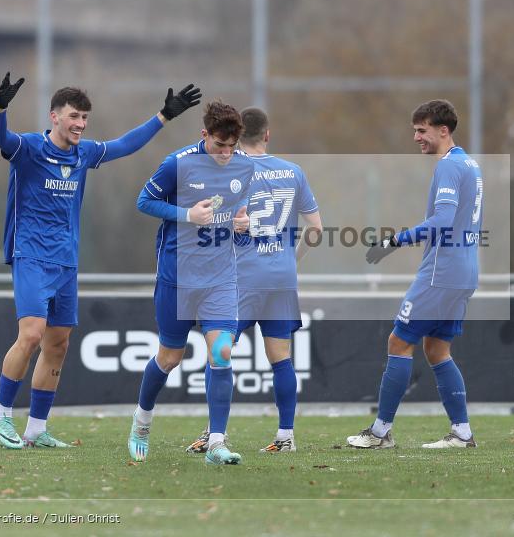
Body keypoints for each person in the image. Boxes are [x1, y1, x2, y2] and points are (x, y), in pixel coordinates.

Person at [0, 72, 200, 450]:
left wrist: (163, 116)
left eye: (85, 118)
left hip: (66, 261)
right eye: (74, 116)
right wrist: (1, 108)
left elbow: (125, 145)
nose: (81, 124)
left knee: (58, 343)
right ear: (54, 116)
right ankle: (1, 415)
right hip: (30, 254)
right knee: (31, 334)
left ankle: (36, 429)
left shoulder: (84, 153)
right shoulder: (30, 148)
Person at [345, 99, 483, 450]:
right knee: (437, 349)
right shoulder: (470, 164)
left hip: (442, 271)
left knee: (399, 341)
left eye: (422, 130)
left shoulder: (449, 166)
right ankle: (462, 432)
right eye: (415, 131)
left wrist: (394, 241)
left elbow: (442, 220)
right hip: (465, 270)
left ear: (443, 130)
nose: (417, 137)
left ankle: (380, 433)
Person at [185, 107, 322, 455]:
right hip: (282, 277)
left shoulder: (232, 169)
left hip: (241, 277)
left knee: (219, 352)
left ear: (237, 135)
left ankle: (214, 434)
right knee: (281, 358)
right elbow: (316, 229)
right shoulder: (294, 171)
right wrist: (292, 260)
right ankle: (286, 436)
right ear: (268, 134)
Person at [128, 101, 253, 466]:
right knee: (170, 358)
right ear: (204, 135)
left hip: (220, 278)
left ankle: (216, 442)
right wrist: (187, 214)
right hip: (177, 278)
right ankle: (141, 423)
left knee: (222, 353)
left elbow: (240, 223)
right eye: (219, 145)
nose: (226, 154)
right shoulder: (177, 164)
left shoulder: (245, 166)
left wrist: (243, 228)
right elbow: (144, 201)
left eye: (232, 147)